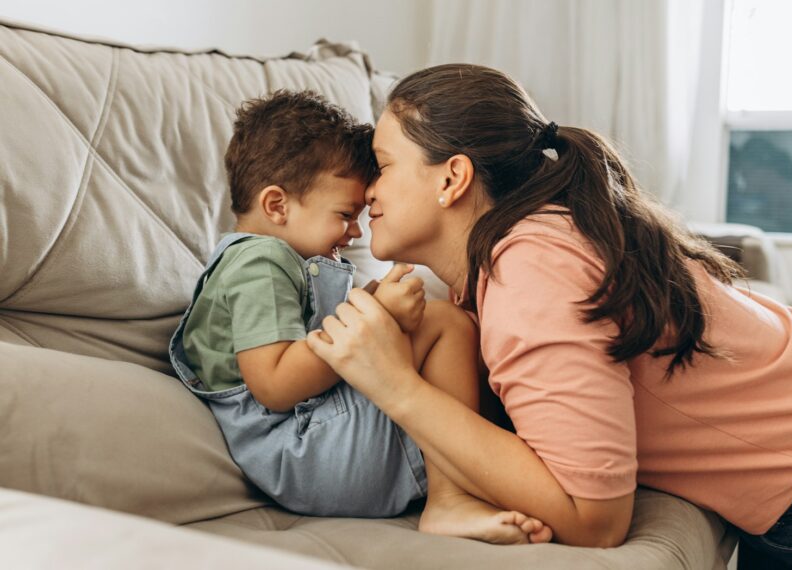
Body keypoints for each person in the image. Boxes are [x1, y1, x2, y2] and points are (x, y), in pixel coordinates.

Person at [306, 64, 792, 567]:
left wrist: (395, 386)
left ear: (452, 178)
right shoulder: (533, 244)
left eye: (381, 165)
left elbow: (595, 520)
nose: (367, 190)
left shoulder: (529, 270)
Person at [168, 89, 551, 544]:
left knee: (462, 357)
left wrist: (374, 304)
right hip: (303, 448)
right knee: (444, 324)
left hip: (318, 442)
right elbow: (274, 385)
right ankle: (451, 499)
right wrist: (378, 315)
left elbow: (320, 341)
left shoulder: (282, 260)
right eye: (345, 214)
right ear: (277, 205)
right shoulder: (259, 263)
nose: (355, 231)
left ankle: (498, 480)